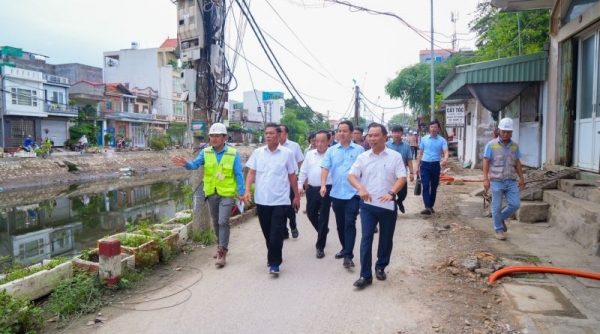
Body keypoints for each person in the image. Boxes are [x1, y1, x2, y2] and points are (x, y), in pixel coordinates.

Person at [172, 123, 245, 267]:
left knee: (223, 221)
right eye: (212, 136)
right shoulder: (205, 153)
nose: (214, 138)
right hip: (211, 192)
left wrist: (241, 192)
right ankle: (220, 245)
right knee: (216, 222)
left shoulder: (232, 153)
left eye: (217, 136)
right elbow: (195, 165)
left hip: (227, 193)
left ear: (224, 137)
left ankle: (222, 251)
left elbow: (238, 174)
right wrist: (186, 164)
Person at [348, 122, 407, 288]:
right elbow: (351, 175)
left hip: (387, 204)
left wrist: (392, 193)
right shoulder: (363, 157)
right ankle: (365, 275)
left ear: (384, 137)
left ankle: (381, 266)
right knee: (366, 237)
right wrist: (360, 188)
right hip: (367, 205)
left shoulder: (394, 156)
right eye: (370, 135)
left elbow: (401, 177)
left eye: (376, 135)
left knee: (386, 238)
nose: (372, 138)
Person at [243, 123, 300, 275]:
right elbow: (251, 173)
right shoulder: (258, 152)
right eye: (266, 133)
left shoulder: (287, 154)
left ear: (279, 135)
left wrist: (296, 196)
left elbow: (292, 176)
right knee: (267, 232)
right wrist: (247, 190)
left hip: (280, 200)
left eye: (271, 133)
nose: (268, 135)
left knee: (276, 232)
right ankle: (273, 254)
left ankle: (275, 263)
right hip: (262, 200)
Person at [320, 120, 364, 268]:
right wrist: (323, 185)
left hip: (353, 193)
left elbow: (364, 170)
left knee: (350, 222)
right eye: (339, 131)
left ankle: (348, 255)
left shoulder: (359, 150)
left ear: (351, 133)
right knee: (340, 224)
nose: (341, 133)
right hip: (337, 193)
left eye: (345, 131)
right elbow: (325, 168)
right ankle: (345, 248)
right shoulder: (331, 150)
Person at [483, 118, 526, 240]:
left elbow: (517, 163)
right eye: (503, 131)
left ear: (512, 132)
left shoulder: (515, 146)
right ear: (499, 131)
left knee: (515, 204)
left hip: (511, 180)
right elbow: (486, 162)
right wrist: (485, 179)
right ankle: (498, 230)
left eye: (508, 132)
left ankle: (501, 218)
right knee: (496, 206)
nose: (505, 134)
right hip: (496, 180)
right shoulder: (491, 145)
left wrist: (521, 179)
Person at [298, 130, 332, 259]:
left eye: (322, 141)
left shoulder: (332, 154)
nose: (319, 144)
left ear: (328, 141)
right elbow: (304, 170)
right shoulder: (310, 154)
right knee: (311, 214)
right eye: (316, 141)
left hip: (327, 189)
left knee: (324, 217)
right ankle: (323, 230)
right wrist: (300, 185)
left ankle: (320, 247)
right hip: (312, 189)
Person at [415, 120, 448, 215]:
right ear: (429, 128)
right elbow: (420, 153)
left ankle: (430, 205)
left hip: (435, 166)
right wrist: (417, 167)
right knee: (425, 186)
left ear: (438, 128)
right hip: (424, 165)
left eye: (435, 127)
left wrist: (445, 159)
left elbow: (445, 151)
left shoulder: (442, 140)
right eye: (432, 127)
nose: (433, 129)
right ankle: (427, 206)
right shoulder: (424, 139)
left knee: (434, 187)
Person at [279, 124, 304, 239]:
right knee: (280, 207)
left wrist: (303, 180)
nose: (279, 133)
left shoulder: (294, 146)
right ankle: (284, 230)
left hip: (291, 181)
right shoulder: (273, 146)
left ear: (286, 134)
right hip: (278, 183)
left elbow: (301, 163)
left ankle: (293, 225)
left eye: (281, 131)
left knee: (290, 206)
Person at [386, 125, 414, 213]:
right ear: (391, 133)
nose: (396, 134)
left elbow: (409, 159)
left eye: (398, 132)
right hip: (390, 173)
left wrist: (411, 172)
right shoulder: (387, 145)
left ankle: (400, 201)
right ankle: (393, 211)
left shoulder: (406, 145)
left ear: (402, 133)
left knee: (403, 194)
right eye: (394, 132)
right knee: (391, 192)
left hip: (401, 173)